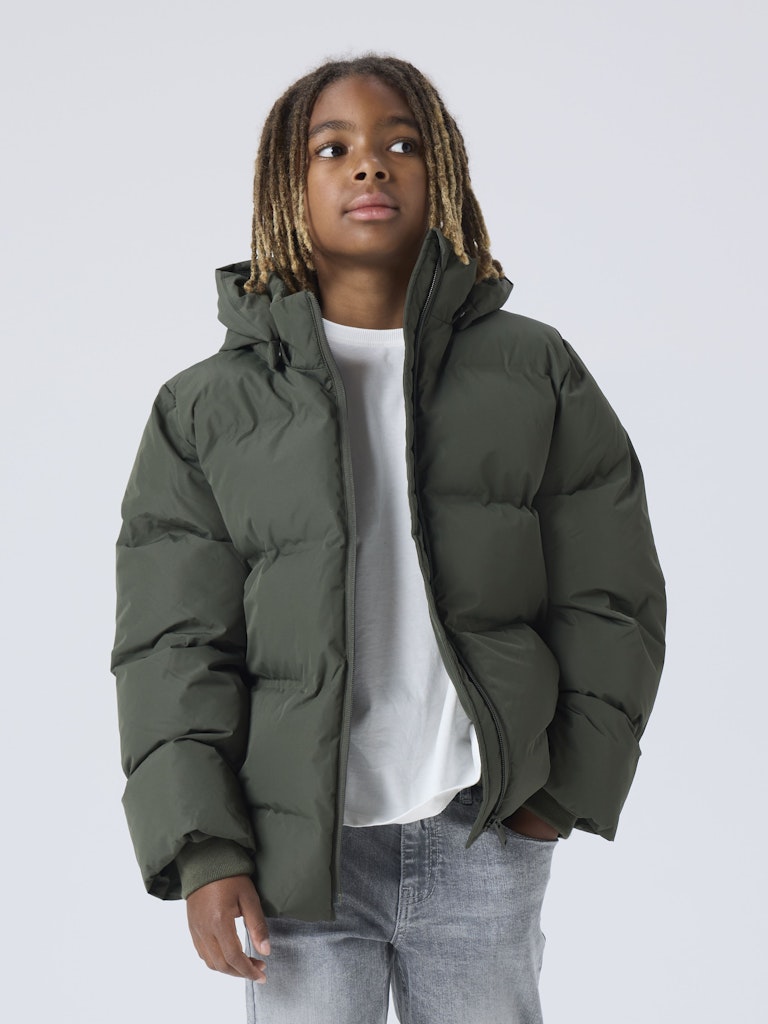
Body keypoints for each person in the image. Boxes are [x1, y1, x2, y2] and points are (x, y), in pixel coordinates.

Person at [110, 54, 666, 1024]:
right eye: (333, 149)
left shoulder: (533, 369)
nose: (370, 164)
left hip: (483, 826)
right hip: (294, 851)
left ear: (440, 170)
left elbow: (609, 591)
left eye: (400, 143)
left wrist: (561, 794)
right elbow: (173, 647)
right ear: (287, 186)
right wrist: (204, 847)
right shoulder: (205, 409)